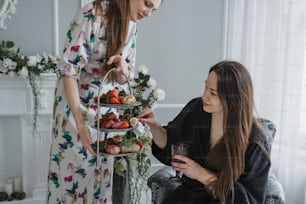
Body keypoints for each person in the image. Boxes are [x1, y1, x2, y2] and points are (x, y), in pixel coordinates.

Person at [47, 0, 162, 203]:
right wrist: (80, 122)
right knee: (71, 184)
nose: (149, 12)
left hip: (105, 115)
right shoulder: (92, 14)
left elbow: (125, 77)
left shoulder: (132, 25)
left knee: (99, 186)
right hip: (74, 113)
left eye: (154, 9)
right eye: (147, 3)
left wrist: (122, 70)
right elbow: (68, 71)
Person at [138, 60, 271, 204]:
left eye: (213, 93)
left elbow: (249, 199)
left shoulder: (255, 139)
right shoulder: (196, 110)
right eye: (206, 87)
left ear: (233, 99)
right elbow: (171, 145)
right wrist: (155, 126)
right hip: (186, 197)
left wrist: (202, 174)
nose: (204, 96)